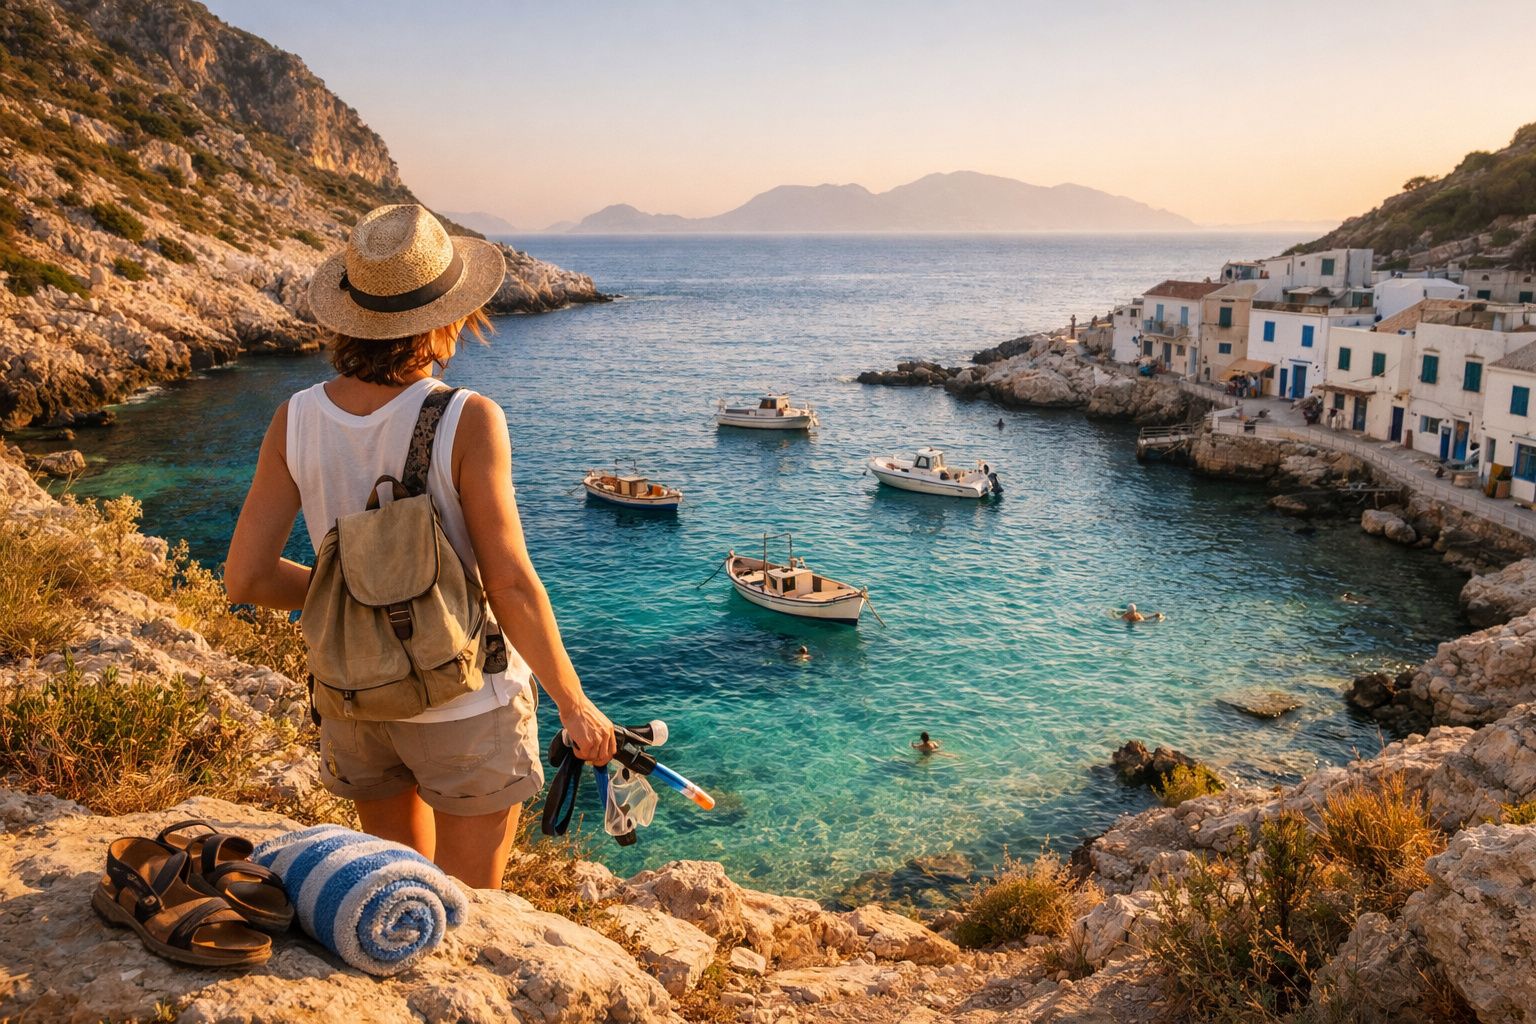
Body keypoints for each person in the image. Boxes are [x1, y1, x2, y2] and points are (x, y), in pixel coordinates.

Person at [224, 204, 617, 889]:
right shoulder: (467, 417)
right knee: (468, 911)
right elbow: (510, 583)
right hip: (463, 704)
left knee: (400, 898)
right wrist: (574, 703)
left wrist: (347, 596)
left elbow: (248, 579)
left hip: (355, 698)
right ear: (447, 316)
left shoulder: (295, 418)